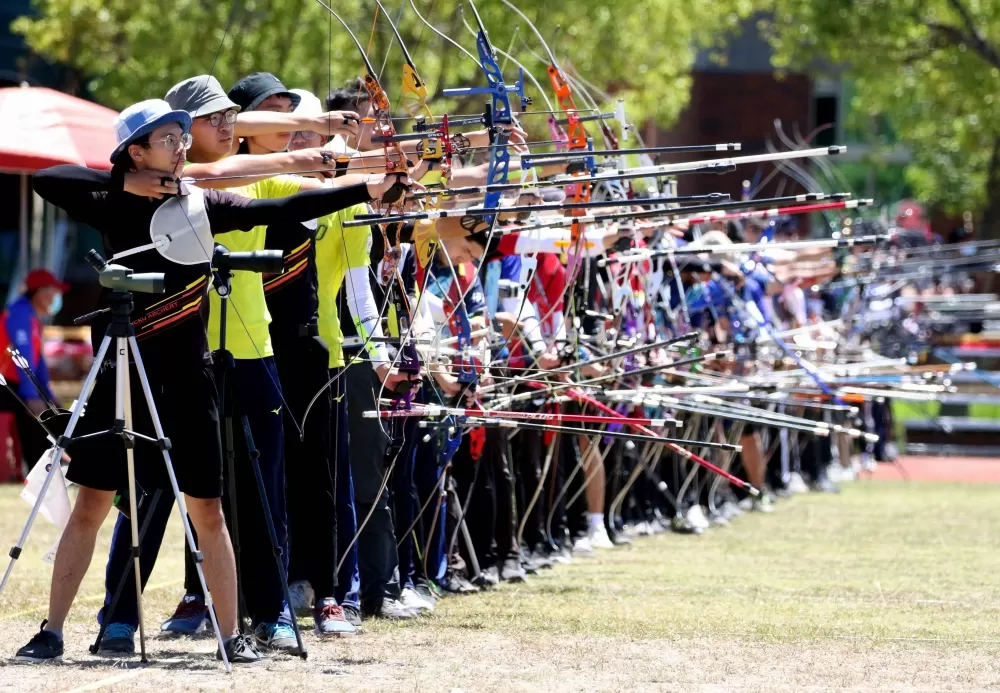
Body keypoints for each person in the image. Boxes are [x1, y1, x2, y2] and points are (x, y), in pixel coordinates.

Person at [13, 98, 410, 664]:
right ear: (137, 150)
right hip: (119, 368)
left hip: (186, 376)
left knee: (208, 509)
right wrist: (130, 182)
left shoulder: (202, 204)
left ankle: (231, 635)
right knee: (92, 504)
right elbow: (52, 179)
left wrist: (368, 189)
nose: (182, 145)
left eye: (182, 135)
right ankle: (51, 631)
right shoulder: (112, 199)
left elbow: (288, 205)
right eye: (169, 137)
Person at [0, 269, 67, 471]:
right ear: (39, 292)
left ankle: (49, 469)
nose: (57, 298)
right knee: (37, 422)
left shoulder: (32, 317)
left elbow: (38, 363)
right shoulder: (20, 313)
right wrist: (32, 396)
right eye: (54, 292)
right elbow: (23, 356)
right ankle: (42, 471)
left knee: (48, 418)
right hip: (7, 382)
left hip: (16, 383)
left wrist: (47, 394)